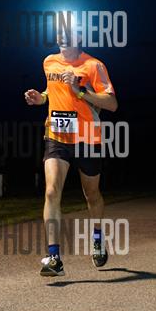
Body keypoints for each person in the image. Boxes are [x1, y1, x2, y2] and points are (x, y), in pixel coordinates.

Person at [24, 31, 117, 277]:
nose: (62, 36)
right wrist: (41, 98)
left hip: (87, 138)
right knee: (51, 191)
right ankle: (54, 258)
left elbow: (112, 104)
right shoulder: (49, 61)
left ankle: (97, 239)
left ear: (79, 38)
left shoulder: (94, 65)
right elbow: (51, 90)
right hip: (57, 137)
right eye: (59, 32)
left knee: (92, 194)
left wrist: (80, 91)